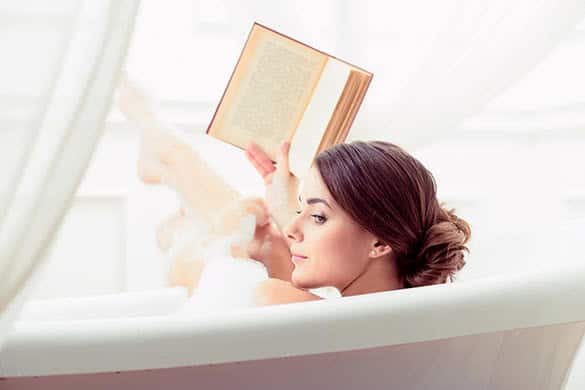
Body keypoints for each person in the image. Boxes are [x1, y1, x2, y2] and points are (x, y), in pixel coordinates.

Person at [118, 77, 471, 307]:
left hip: (214, 285)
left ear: (380, 243)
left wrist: (226, 246)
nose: (293, 226)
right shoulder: (423, 303)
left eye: (317, 215)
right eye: (304, 210)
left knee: (244, 231)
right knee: (265, 232)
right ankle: (166, 153)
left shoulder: (276, 298)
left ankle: (163, 148)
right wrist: (286, 207)